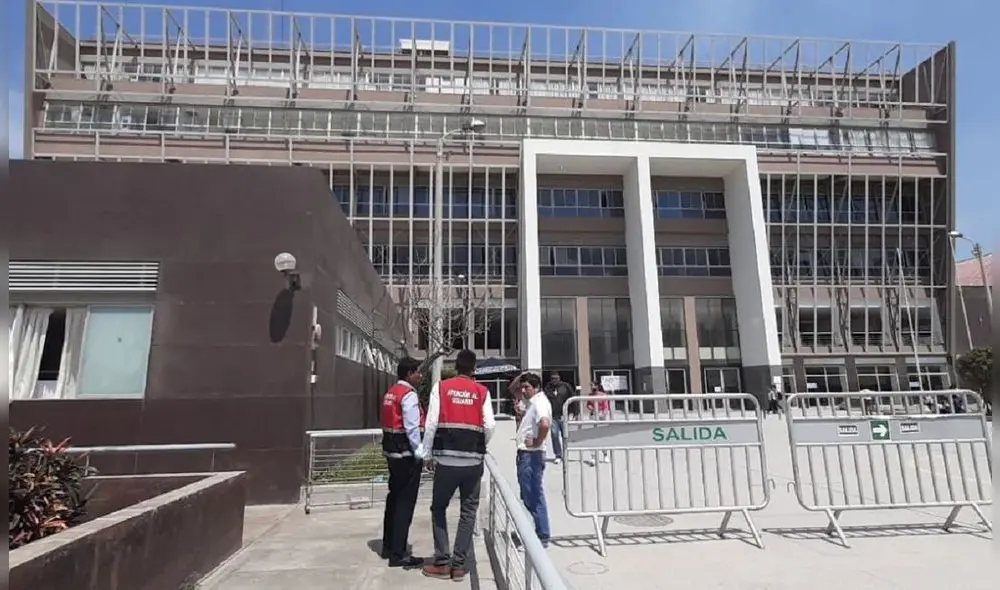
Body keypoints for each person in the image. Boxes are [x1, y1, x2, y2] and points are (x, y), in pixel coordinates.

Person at [418, 350, 496, 582]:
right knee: (468, 511)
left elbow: (431, 423)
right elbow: (490, 425)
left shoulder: (441, 388)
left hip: (446, 461)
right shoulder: (482, 391)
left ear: (456, 367)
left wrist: (426, 454)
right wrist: (478, 444)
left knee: (438, 508)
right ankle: (459, 566)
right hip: (473, 461)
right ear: (474, 369)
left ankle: (442, 561)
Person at [379, 357, 426, 568]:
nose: (420, 376)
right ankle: (398, 553)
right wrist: (420, 453)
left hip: (392, 453)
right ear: (409, 374)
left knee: (394, 499)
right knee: (405, 503)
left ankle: (389, 546)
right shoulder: (408, 395)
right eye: (418, 372)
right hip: (406, 455)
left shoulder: (391, 392)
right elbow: (412, 427)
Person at [515, 372, 552, 548]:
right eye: (522, 387)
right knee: (527, 493)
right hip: (527, 454)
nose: (523, 390)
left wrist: (537, 441)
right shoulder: (533, 403)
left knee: (533, 493)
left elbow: (544, 423)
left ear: (536, 388)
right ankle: (539, 530)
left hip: (532, 455)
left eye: (527, 387)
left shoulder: (540, 403)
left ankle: (542, 534)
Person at [543, 372, 573, 464]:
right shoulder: (547, 388)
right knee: (554, 435)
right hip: (553, 416)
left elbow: (572, 399)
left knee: (565, 435)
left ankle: (566, 453)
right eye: (552, 378)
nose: (554, 380)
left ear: (559, 378)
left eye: (556, 378)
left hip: (564, 415)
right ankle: (558, 455)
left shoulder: (566, 387)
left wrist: (573, 413)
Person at [585, 382, 611, 465]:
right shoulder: (590, 395)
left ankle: (605, 455)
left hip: (602, 416)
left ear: (597, 386)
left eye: (593, 385)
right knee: (593, 436)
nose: (592, 387)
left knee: (602, 436)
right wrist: (591, 408)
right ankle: (593, 457)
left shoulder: (603, 395)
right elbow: (588, 404)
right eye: (591, 385)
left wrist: (603, 414)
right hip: (593, 416)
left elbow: (606, 406)